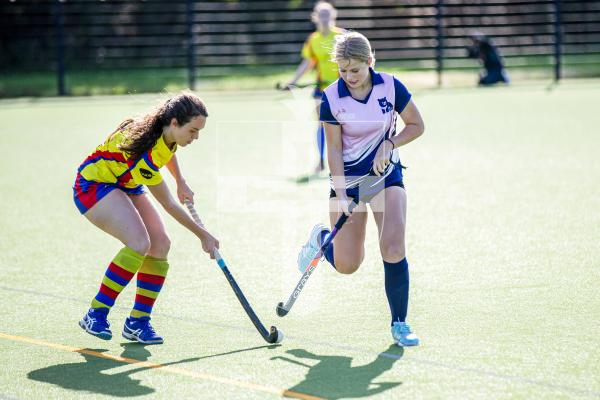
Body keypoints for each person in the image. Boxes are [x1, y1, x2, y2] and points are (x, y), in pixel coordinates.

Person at [296, 32, 425, 346]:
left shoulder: (391, 86)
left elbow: (417, 125)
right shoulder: (331, 98)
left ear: (370, 61)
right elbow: (335, 149)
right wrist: (340, 193)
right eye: (342, 70)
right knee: (347, 265)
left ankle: (400, 324)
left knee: (393, 247)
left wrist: (390, 144)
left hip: (385, 175)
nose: (349, 77)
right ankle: (320, 241)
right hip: (348, 182)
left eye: (355, 69)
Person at [74, 91, 219, 344]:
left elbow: (167, 151)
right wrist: (203, 235)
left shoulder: (164, 132)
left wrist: (180, 181)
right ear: (175, 122)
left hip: (127, 182)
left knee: (161, 245)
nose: (196, 137)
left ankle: (138, 322)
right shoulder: (146, 156)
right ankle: (96, 313)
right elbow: (169, 205)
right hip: (95, 184)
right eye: (193, 131)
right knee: (139, 243)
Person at [284, 1, 344, 174]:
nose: (324, 17)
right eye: (321, 14)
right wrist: (293, 80)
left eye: (327, 14)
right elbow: (308, 62)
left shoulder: (341, 36)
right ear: (316, 17)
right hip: (322, 88)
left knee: (344, 123)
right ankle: (321, 160)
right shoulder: (313, 40)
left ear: (333, 15)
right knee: (322, 124)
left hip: (343, 88)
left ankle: (345, 159)